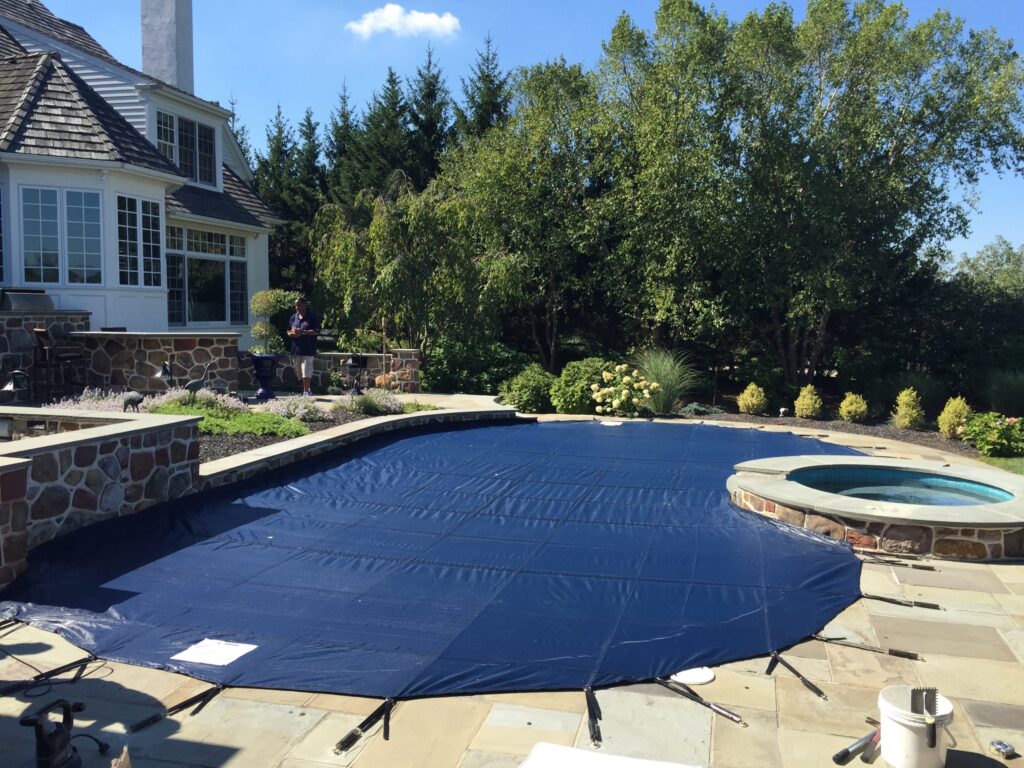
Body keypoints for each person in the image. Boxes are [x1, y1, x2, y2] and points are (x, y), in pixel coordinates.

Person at [287, 296, 320, 396]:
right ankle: (307, 389)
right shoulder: (293, 317)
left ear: (305, 305)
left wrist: (302, 332)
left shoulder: (312, 317)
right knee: (298, 373)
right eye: (296, 305)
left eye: (299, 305)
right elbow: (288, 330)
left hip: (308, 349)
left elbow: (316, 331)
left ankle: (305, 392)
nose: (297, 307)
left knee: (306, 369)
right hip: (296, 350)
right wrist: (291, 334)